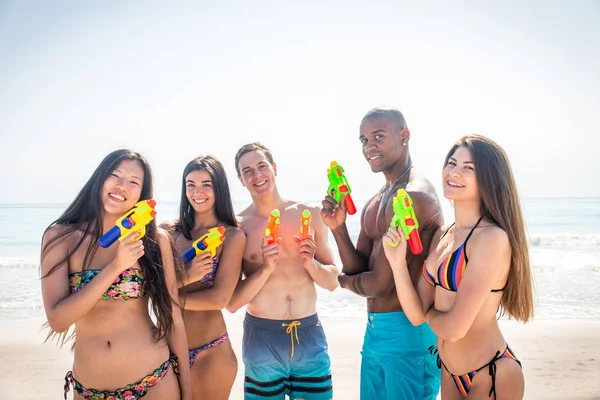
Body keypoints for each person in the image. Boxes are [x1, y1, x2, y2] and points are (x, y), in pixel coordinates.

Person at [382, 134, 534, 399]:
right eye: (451, 163)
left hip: (492, 373)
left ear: (488, 178)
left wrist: (430, 313)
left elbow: (454, 328)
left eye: (468, 168)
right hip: (450, 372)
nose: (454, 172)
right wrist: (397, 263)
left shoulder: (491, 239)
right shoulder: (443, 235)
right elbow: (416, 315)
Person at [40, 149, 191, 399]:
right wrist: (115, 268)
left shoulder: (155, 241)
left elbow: (174, 319)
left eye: (134, 182)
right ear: (100, 179)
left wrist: (187, 392)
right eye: (115, 176)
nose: (122, 186)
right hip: (89, 390)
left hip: (154, 382)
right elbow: (58, 321)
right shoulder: (60, 238)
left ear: (142, 196)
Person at [321, 107, 443, 399]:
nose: (369, 146)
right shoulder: (376, 200)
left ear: (404, 136)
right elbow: (358, 265)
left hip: (409, 332)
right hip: (375, 331)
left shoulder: (412, 196)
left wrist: (341, 281)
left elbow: (379, 283)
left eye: (378, 136)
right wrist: (338, 229)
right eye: (363, 140)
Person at [227, 142, 339, 400]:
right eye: (248, 171)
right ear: (241, 180)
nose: (257, 175)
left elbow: (332, 281)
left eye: (262, 166)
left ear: (274, 168)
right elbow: (232, 302)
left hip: (309, 334)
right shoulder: (238, 227)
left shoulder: (309, 214)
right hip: (262, 336)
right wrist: (266, 268)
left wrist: (310, 263)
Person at [162, 155, 245, 400]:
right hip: (164, 348)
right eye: (191, 184)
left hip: (211, 351)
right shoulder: (168, 232)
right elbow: (150, 286)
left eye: (206, 185)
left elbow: (219, 298)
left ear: (218, 188)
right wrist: (186, 277)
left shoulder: (232, 236)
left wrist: (168, 299)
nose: (197, 192)